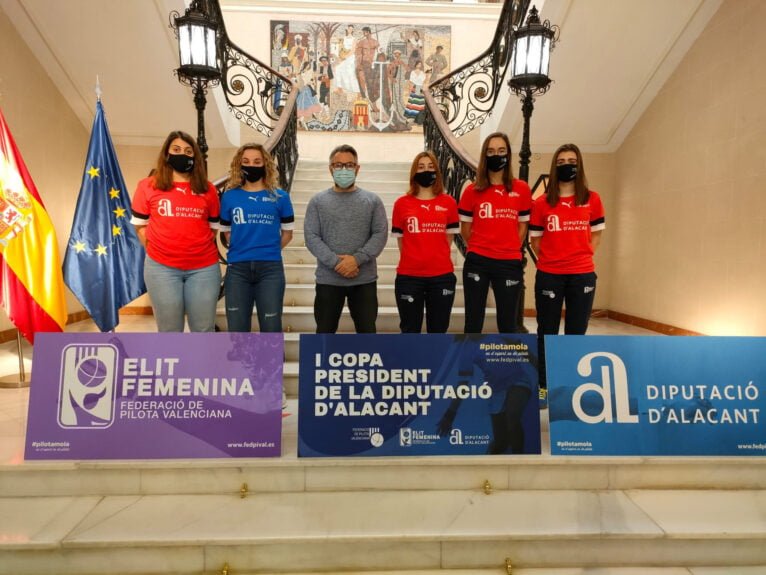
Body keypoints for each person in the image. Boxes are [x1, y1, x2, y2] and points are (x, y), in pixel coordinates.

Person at [529, 143, 605, 391]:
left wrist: (580, 256)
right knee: (547, 332)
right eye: (561, 162)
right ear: (554, 167)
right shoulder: (541, 203)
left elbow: (595, 236)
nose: (566, 166)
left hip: (582, 275)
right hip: (550, 275)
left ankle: (571, 387)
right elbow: (536, 241)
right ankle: (543, 385)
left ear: (579, 164)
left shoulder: (592, 199)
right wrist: (555, 259)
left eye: (571, 161)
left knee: (576, 332)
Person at [131, 131, 221, 332]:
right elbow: (139, 225)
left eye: (189, 151)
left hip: (203, 269)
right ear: (167, 154)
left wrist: (191, 247)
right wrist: (160, 248)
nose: (183, 154)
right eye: (176, 149)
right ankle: (178, 365)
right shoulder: (147, 186)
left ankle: (201, 364)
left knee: (204, 329)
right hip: (161, 269)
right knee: (169, 331)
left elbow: (212, 229)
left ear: (195, 157)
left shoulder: (208, 189)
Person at [304, 144, 388, 333]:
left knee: (367, 334)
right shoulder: (318, 201)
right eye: (338, 165)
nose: (344, 170)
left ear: (357, 169)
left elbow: (380, 234)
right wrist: (337, 263)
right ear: (330, 169)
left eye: (349, 165)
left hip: (364, 280)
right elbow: (311, 236)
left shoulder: (372, 201)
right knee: (324, 334)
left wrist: (356, 260)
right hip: (328, 280)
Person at [458, 132, 532, 334]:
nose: (496, 155)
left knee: (508, 324)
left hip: (509, 263)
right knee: (473, 322)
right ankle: (468, 365)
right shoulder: (471, 191)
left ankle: (506, 366)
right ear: (484, 156)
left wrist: (508, 248)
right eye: (490, 151)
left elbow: (522, 227)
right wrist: (482, 246)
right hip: (478, 261)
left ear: (508, 155)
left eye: (501, 151)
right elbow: (465, 230)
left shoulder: (522, 189)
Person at [219, 143, 294, 333]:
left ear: (265, 165)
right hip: (237, 270)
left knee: (271, 326)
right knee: (237, 328)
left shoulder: (281, 197)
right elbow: (227, 232)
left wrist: (268, 249)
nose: (251, 165)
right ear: (239, 164)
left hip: (270, 270)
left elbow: (287, 234)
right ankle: (240, 364)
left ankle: (271, 363)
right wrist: (243, 246)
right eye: (246, 161)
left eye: (257, 161)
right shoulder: (229, 197)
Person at [391, 151, 458, 333]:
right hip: (409, 277)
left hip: (441, 277)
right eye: (421, 167)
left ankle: (436, 362)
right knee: (409, 330)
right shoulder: (401, 204)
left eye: (430, 167)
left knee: (438, 330)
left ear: (437, 172)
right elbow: (402, 242)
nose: (426, 170)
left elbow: (448, 238)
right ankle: (412, 363)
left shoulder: (449, 203)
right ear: (414, 172)